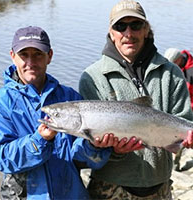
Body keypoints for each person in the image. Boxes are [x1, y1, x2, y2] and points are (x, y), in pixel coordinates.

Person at [79, 0, 193, 199]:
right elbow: (88, 149)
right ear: (111, 33)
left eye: (136, 25)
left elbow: (185, 120)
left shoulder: (172, 73)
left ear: (146, 29)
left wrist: (187, 138)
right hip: (110, 187)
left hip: (160, 187)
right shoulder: (93, 77)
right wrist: (113, 150)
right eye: (120, 26)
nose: (128, 33)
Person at [0, 26, 118, 200]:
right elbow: (2, 159)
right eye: (24, 55)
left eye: (38, 54)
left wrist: (95, 146)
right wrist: (40, 140)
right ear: (13, 56)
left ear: (49, 56)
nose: (31, 62)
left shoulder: (69, 97)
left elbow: (84, 159)